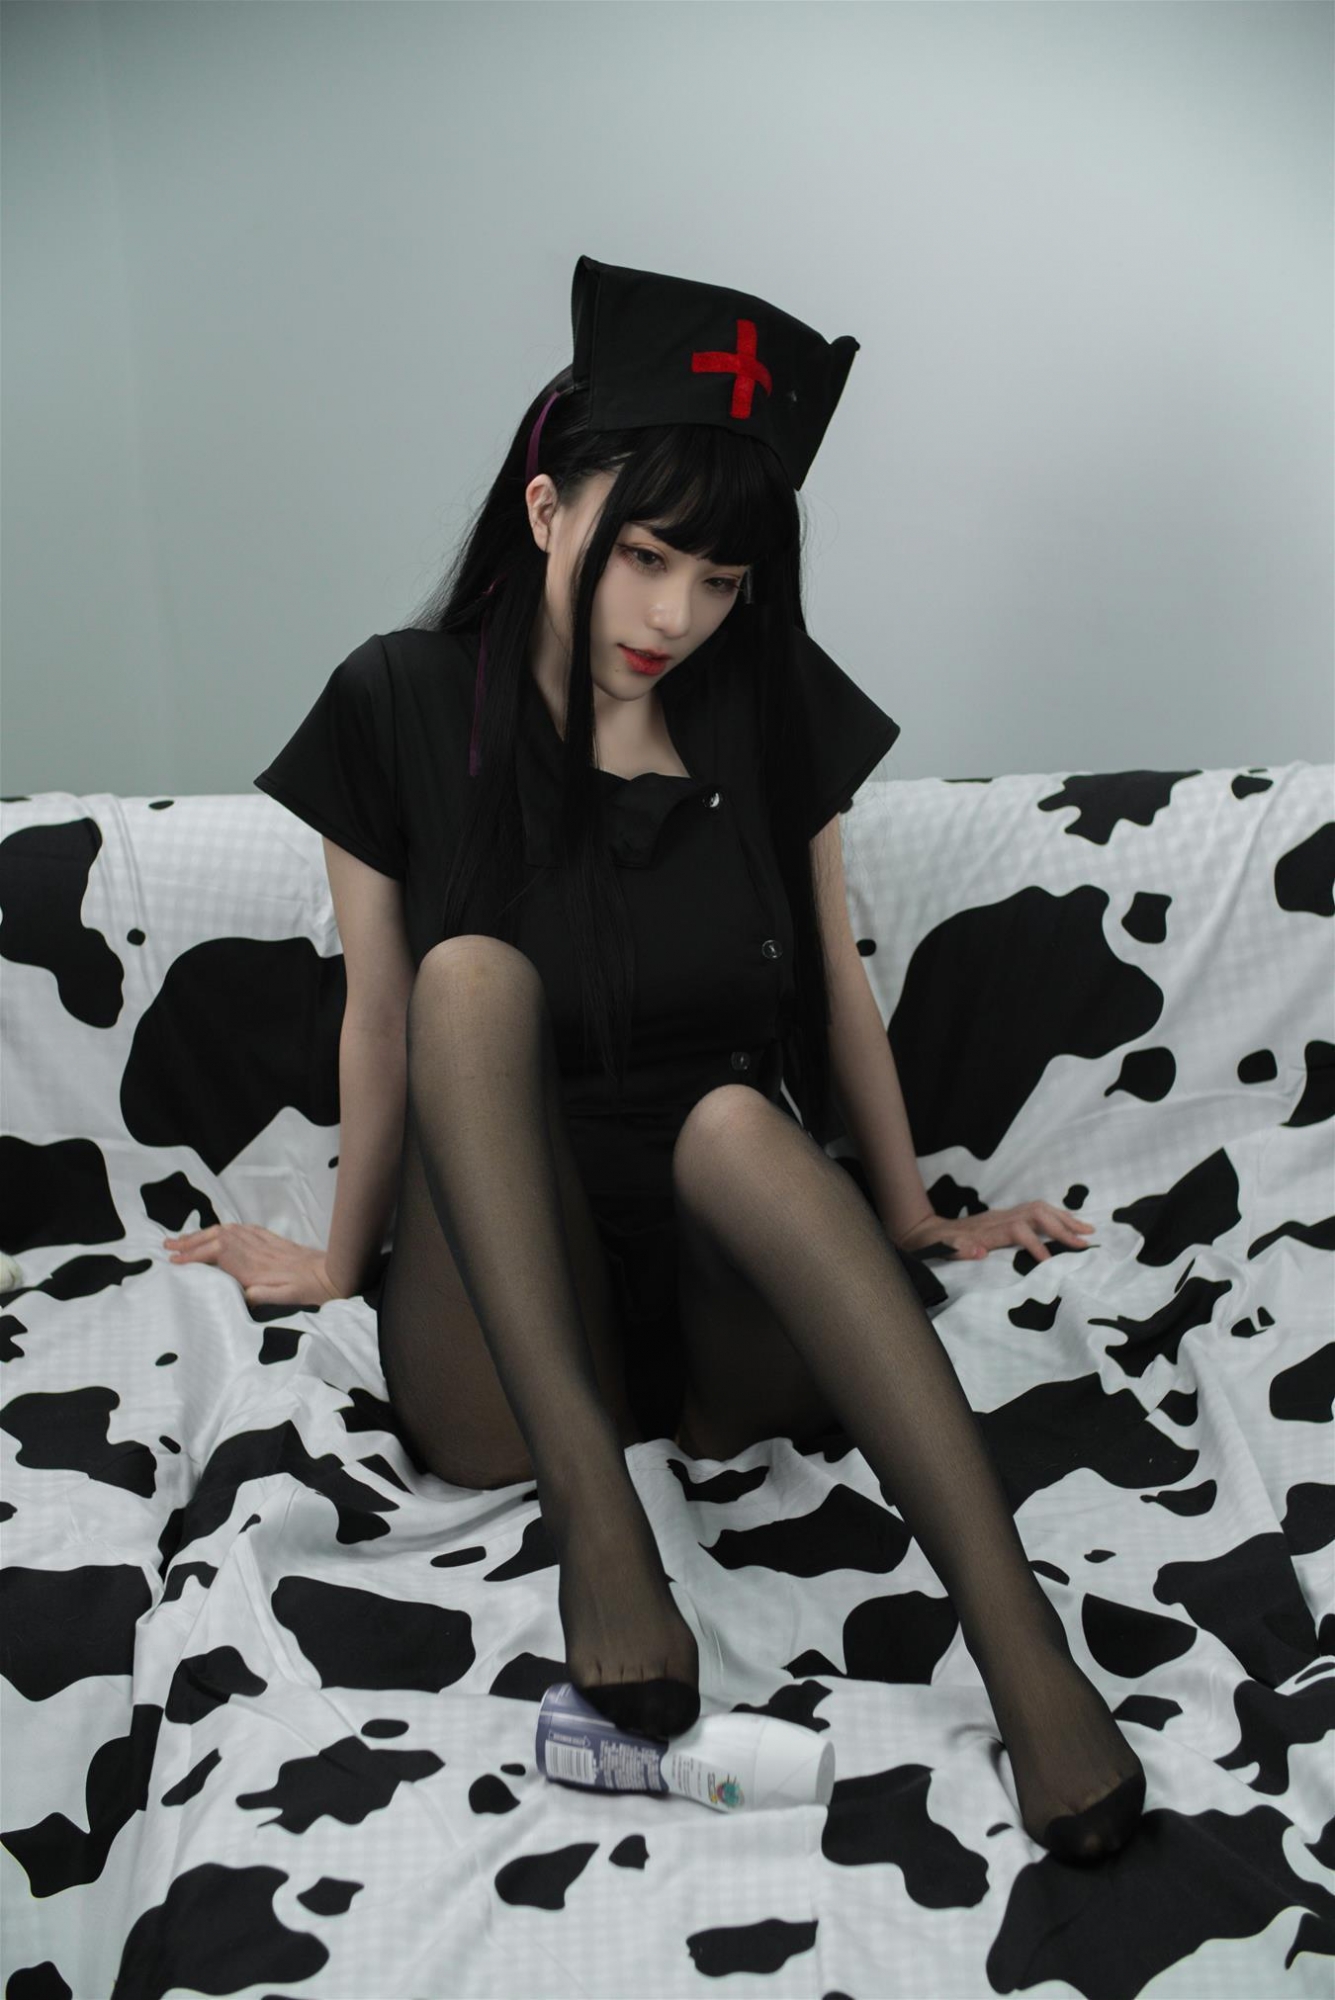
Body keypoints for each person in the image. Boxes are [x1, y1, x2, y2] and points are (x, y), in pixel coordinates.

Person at [172, 255, 1145, 1863]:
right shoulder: (399, 700)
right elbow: (384, 1017)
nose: (675, 616)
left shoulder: (761, 708)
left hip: (721, 1341)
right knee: (469, 978)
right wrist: (341, 1266)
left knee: (735, 1122)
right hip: (501, 1320)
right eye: (645, 557)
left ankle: (1025, 1650)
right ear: (547, 510)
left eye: (719, 579)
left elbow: (835, 983)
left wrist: (913, 1216)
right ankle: (598, 1527)